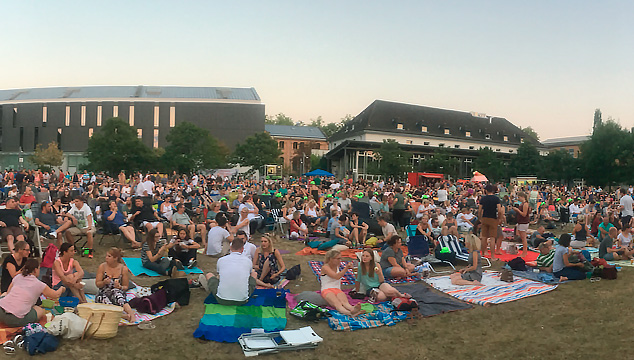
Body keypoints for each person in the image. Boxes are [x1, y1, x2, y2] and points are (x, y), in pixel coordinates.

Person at [198, 238, 272, 306]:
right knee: (254, 273)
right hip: (242, 300)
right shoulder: (248, 261)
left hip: (222, 300)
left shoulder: (221, 260)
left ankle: (211, 288)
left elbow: (219, 275)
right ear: (242, 249)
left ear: (230, 248)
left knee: (209, 275)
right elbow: (249, 276)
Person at [0, 259, 65, 327]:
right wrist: (62, 288)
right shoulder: (39, 284)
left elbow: (8, 292)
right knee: (40, 310)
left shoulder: (17, 277)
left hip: (1, 311)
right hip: (15, 318)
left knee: (4, 294)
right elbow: (55, 295)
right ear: (35, 270)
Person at [95, 247, 136, 322]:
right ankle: (123, 316)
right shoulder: (102, 267)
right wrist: (104, 282)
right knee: (104, 300)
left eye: (109, 256)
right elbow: (97, 284)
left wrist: (120, 286)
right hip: (103, 292)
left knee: (118, 295)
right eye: (106, 256)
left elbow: (125, 286)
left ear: (115, 258)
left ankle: (131, 314)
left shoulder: (123, 269)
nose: (106, 258)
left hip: (116, 291)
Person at [320, 249, 364, 316]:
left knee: (345, 302)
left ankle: (353, 309)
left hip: (337, 289)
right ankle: (349, 313)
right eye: (338, 258)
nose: (340, 260)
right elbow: (336, 276)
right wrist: (346, 268)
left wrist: (352, 268)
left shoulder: (337, 266)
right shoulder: (325, 268)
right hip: (326, 289)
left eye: (340, 258)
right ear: (331, 259)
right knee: (337, 304)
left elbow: (356, 276)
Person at [478, 184, 502, 259]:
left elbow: (479, 210)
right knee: (492, 238)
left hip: (485, 218)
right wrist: (499, 218)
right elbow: (500, 210)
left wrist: (480, 218)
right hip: (493, 218)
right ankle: (492, 256)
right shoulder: (496, 199)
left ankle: (482, 254)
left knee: (484, 237)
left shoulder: (483, 199)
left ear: (486, 190)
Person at [513, 192, 530, 258]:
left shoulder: (525, 204)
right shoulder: (522, 204)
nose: (518, 198)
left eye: (519, 197)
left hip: (524, 222)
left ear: (522, 197)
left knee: (523, 238)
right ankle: (524, 251)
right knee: (522, 237)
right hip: (521, 222)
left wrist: (517, 210)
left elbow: (524, 214)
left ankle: (524, 252)